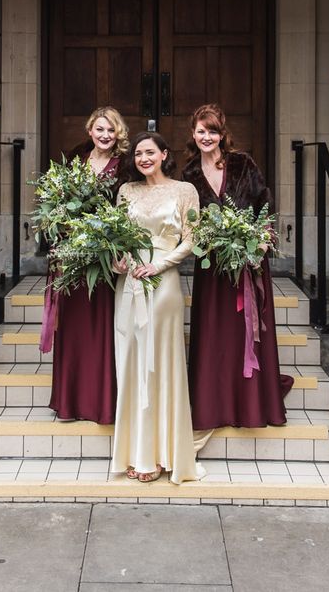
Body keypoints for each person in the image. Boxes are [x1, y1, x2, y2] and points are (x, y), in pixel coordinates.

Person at [182, 103, 293, 430]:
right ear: (193, 133)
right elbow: (190, 220)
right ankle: (215, 402)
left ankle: (250, 403)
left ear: (222, 133)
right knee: (216, 335)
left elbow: (265, 204)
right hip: (213, 268)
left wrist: (261, 239)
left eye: (212, 130)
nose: (206, 137)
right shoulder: (188, 174)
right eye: (201, 131)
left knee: (246, 334)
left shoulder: (242, 164)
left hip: (249, 261)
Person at [111, 131, 204, 484]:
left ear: (165, 154)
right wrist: (120, 260)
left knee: (163, 363)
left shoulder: (184, 191)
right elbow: (118, 236)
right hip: (130, 282)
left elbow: (193, 239)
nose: (143, 158)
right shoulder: (126, 191)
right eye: (137, 153)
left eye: (150, 152)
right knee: (133, 361)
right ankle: (138, 453)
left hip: (163, 283)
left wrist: (161, 264)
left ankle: (166, 452)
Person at [45, 106, 129, 424]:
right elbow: (56, 204)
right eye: (100, 129)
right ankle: (70, 401)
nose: (105, 135)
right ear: (90, 130)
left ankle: (100, 401)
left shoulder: (124, 168)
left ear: (117, 133)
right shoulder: (74, 162)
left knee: (101, 327)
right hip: (74, 256)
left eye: (111, 130)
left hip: (106, 259)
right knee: (74, 327)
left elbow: (127, 211)